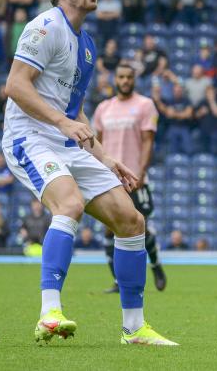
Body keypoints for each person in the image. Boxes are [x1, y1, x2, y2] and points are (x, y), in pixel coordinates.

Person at [1, 0, 175, 344]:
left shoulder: (88, 46)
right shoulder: (44, 27)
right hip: (28, 137)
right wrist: (62, 123)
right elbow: (15, 85)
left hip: (65, 140)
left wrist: (107, 157)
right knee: (71, 204)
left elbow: (75, 113)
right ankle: (49, 313)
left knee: (132, 222)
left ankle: (134, 329)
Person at [93, 63, 167, 293]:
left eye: (129, 77)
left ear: (134, 79)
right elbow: (97, 143)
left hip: (135, 176)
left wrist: (142, 171)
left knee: (139, 226)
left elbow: (148, 141)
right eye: (121, 77)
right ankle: (118, 280)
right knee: (109, 229)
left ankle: (155, 266)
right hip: (109, 178)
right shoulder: (103, 108)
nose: (125, 80)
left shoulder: (145, 105)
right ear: (115, 79)